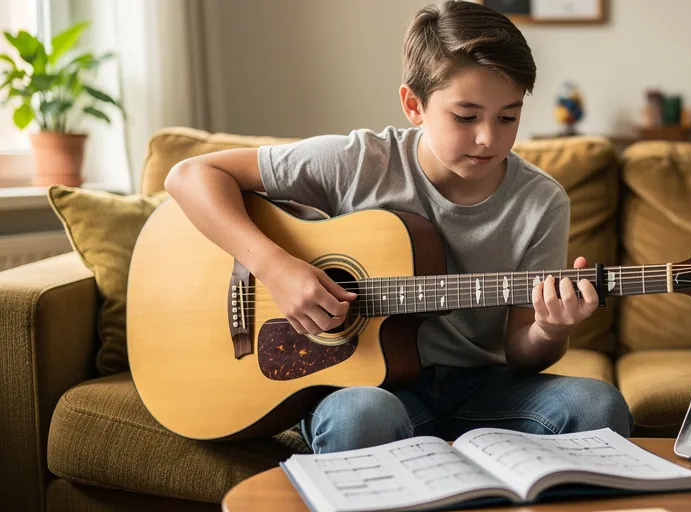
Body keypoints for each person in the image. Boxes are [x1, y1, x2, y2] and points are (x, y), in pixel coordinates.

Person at [164, 0, 633, 454]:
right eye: (466, 116)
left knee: (597, 405)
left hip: (483, 389)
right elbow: (190, 176)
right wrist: (275, 268)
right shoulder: (359, 162)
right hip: (365, 384)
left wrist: (550, 329)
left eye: (508, 116)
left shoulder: (541, 201)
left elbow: (523, 352)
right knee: (361, 417)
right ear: (414, 104)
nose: (489, 137)